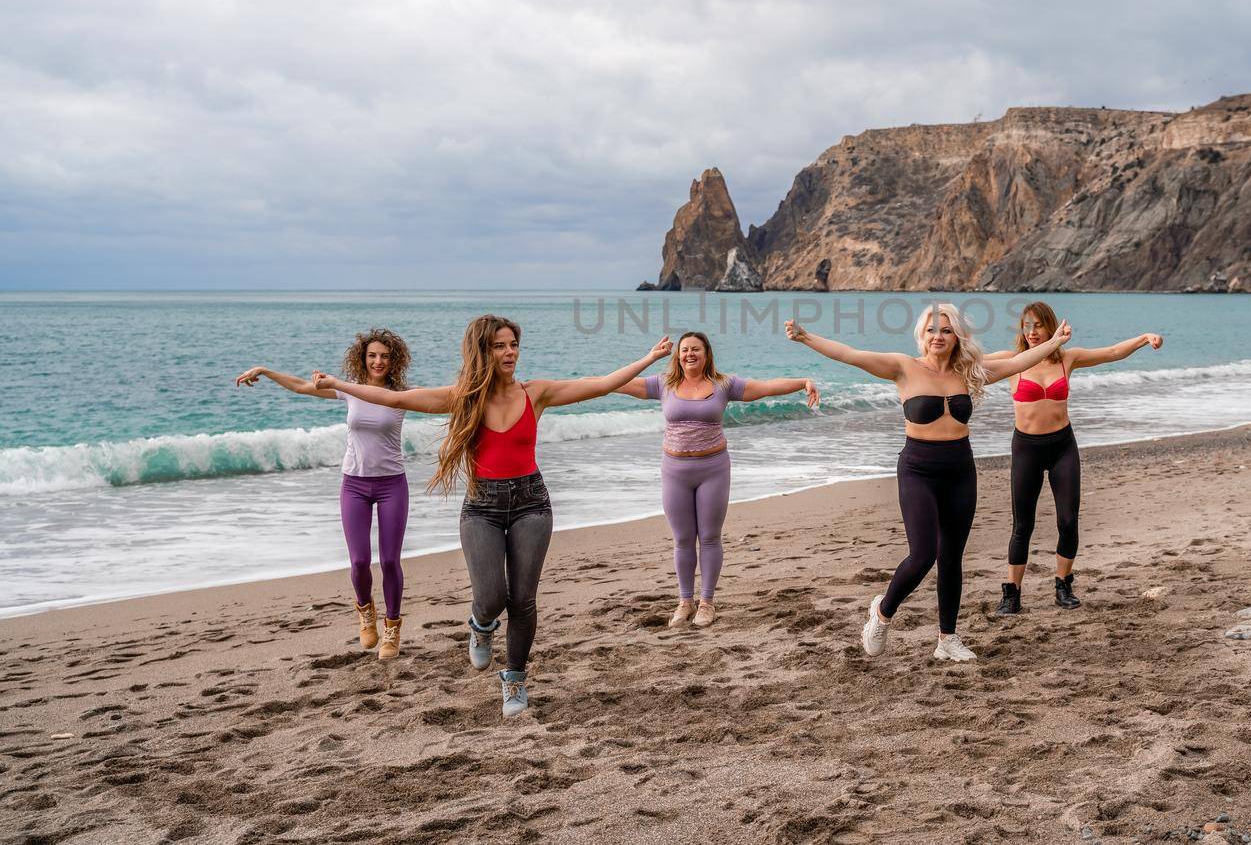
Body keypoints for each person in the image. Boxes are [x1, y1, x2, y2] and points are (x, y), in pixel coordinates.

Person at [314, 316, 671, 718]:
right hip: (481, 507)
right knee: (491, 597)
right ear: (483, 351)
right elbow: (395, 400)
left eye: (513, 344)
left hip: (531, 502)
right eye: (500, 346)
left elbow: (602, 384)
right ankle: (481, 625)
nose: (510, 352)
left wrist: (649, 357)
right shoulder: (464, 396)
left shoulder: (537, 392)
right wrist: (339, 385)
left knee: (522, 600)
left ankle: (515, 679)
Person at [784, 304, 1071, 662]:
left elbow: (1020, 362)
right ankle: (882, 612)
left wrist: (1055, 341)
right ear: (922, 335)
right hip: (918, 470)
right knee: (922, 554)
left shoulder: (969, 372)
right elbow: (851, 355)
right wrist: (807, 337)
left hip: (960, 469)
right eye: (932, 330)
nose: (939, 336)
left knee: (952, 558)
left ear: (957, 337)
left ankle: (947, 638)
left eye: (947, 331)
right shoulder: (903, 368)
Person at [613, 331, 818, 627]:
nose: (689, 354)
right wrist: (644, 360)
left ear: (707, 353)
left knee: (709, 537)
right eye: (684, 350)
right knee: (683, 539)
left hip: (713, 470)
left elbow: (765, 388)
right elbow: (617, 383)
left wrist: (802, 382)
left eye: (696, 349)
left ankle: (706, 602)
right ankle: (685, 602)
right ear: (677, 355)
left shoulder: (724, 385)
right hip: (674, 472)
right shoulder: (663, 384)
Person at [236, 328, 413, 658]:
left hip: (392, 485)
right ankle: (365, 610)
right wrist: (264, 371)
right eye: (372, 355)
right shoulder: (349, 391)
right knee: (360, 561)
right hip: (355, 484)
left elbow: (443, 400)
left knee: (390, 560)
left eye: (385, 357)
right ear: (363, 358)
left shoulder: (401, 394)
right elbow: (303, 387)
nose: (378, 361)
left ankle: (392, 627)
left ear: (394, 361)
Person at [986, 302, 1163, 614]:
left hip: (1062, 447)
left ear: (1050, 326)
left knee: (1068, 521)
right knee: (1022, 525)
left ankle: (1063, 584)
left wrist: (1143, 338)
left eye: (1038, 325)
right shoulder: (1011, 360)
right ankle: (1011, 594)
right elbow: (967, 362)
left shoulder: (1067, 358)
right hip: (1025, 449)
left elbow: (1111, 353)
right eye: (1026, 326)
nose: (1031, 332)